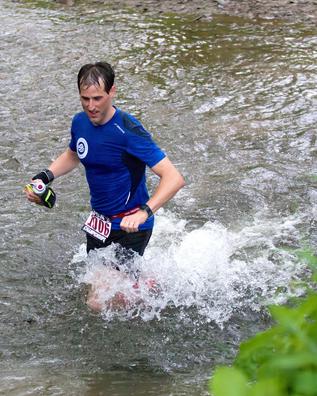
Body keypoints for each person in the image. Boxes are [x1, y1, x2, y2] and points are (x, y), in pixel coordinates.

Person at [25, 62, 185, 306]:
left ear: (112, 92)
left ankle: (153, 303)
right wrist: (45, 176)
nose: (91, 106)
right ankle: (151, 285)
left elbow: (174, 178)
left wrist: (144, 213)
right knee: (98, 285)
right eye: (85, 98)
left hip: (131, 226)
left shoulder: (128, 130)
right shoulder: (80, 123)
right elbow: (74, 154)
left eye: (98, 98)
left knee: (97, 302)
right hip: (99, 223)